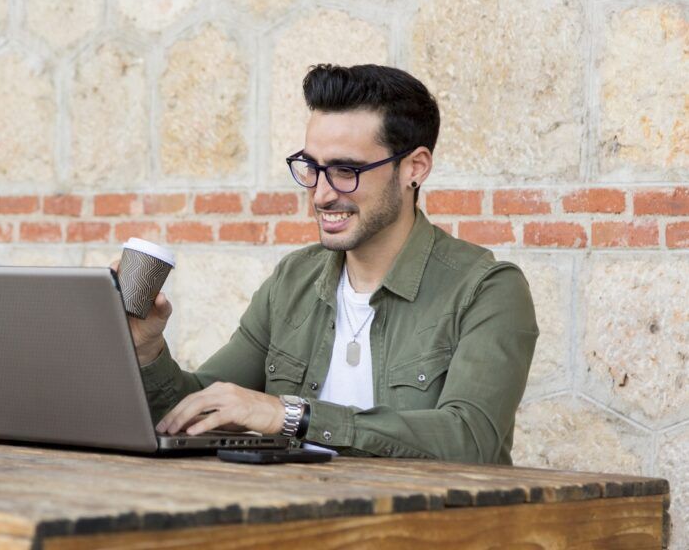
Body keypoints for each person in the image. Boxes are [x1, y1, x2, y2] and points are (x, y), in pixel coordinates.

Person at [126, 64, 538, 464]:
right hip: (304, 525)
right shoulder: (292, 280)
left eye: (346, 170)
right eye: (313, 168)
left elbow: (470, 440)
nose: (322, 194)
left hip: (429, 529)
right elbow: (198, 412)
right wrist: (147, 351)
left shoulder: (487, 289)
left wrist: (293, 416)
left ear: (414, 168)